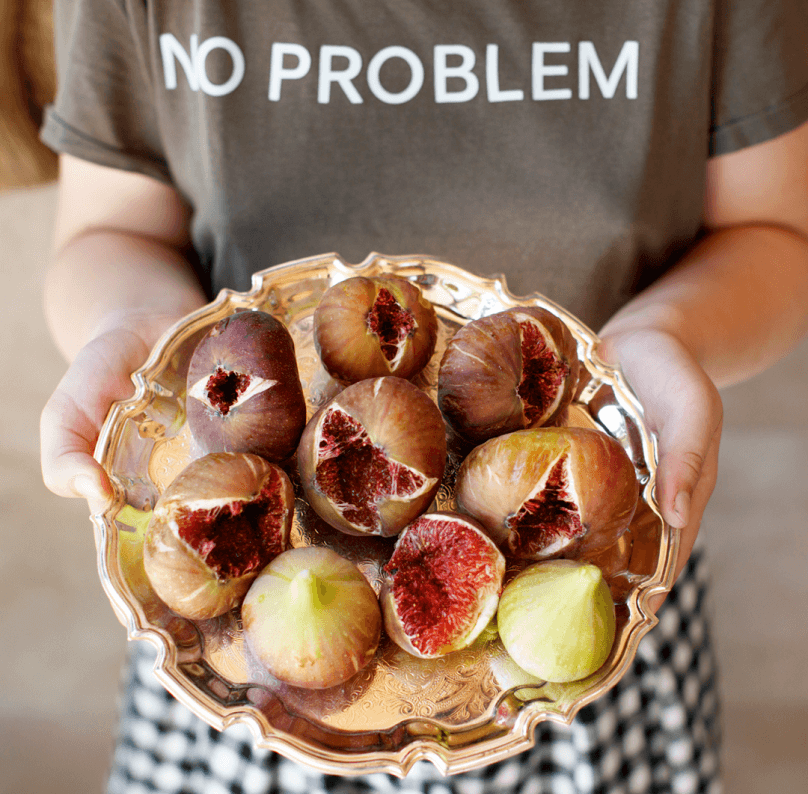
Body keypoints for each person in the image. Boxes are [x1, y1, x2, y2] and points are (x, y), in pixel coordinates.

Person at [39, 2, 808, 792]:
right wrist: (138, 330)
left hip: (587, 631)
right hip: (252, 681)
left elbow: (774, 232)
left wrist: (665, 332)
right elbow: (112, 231)